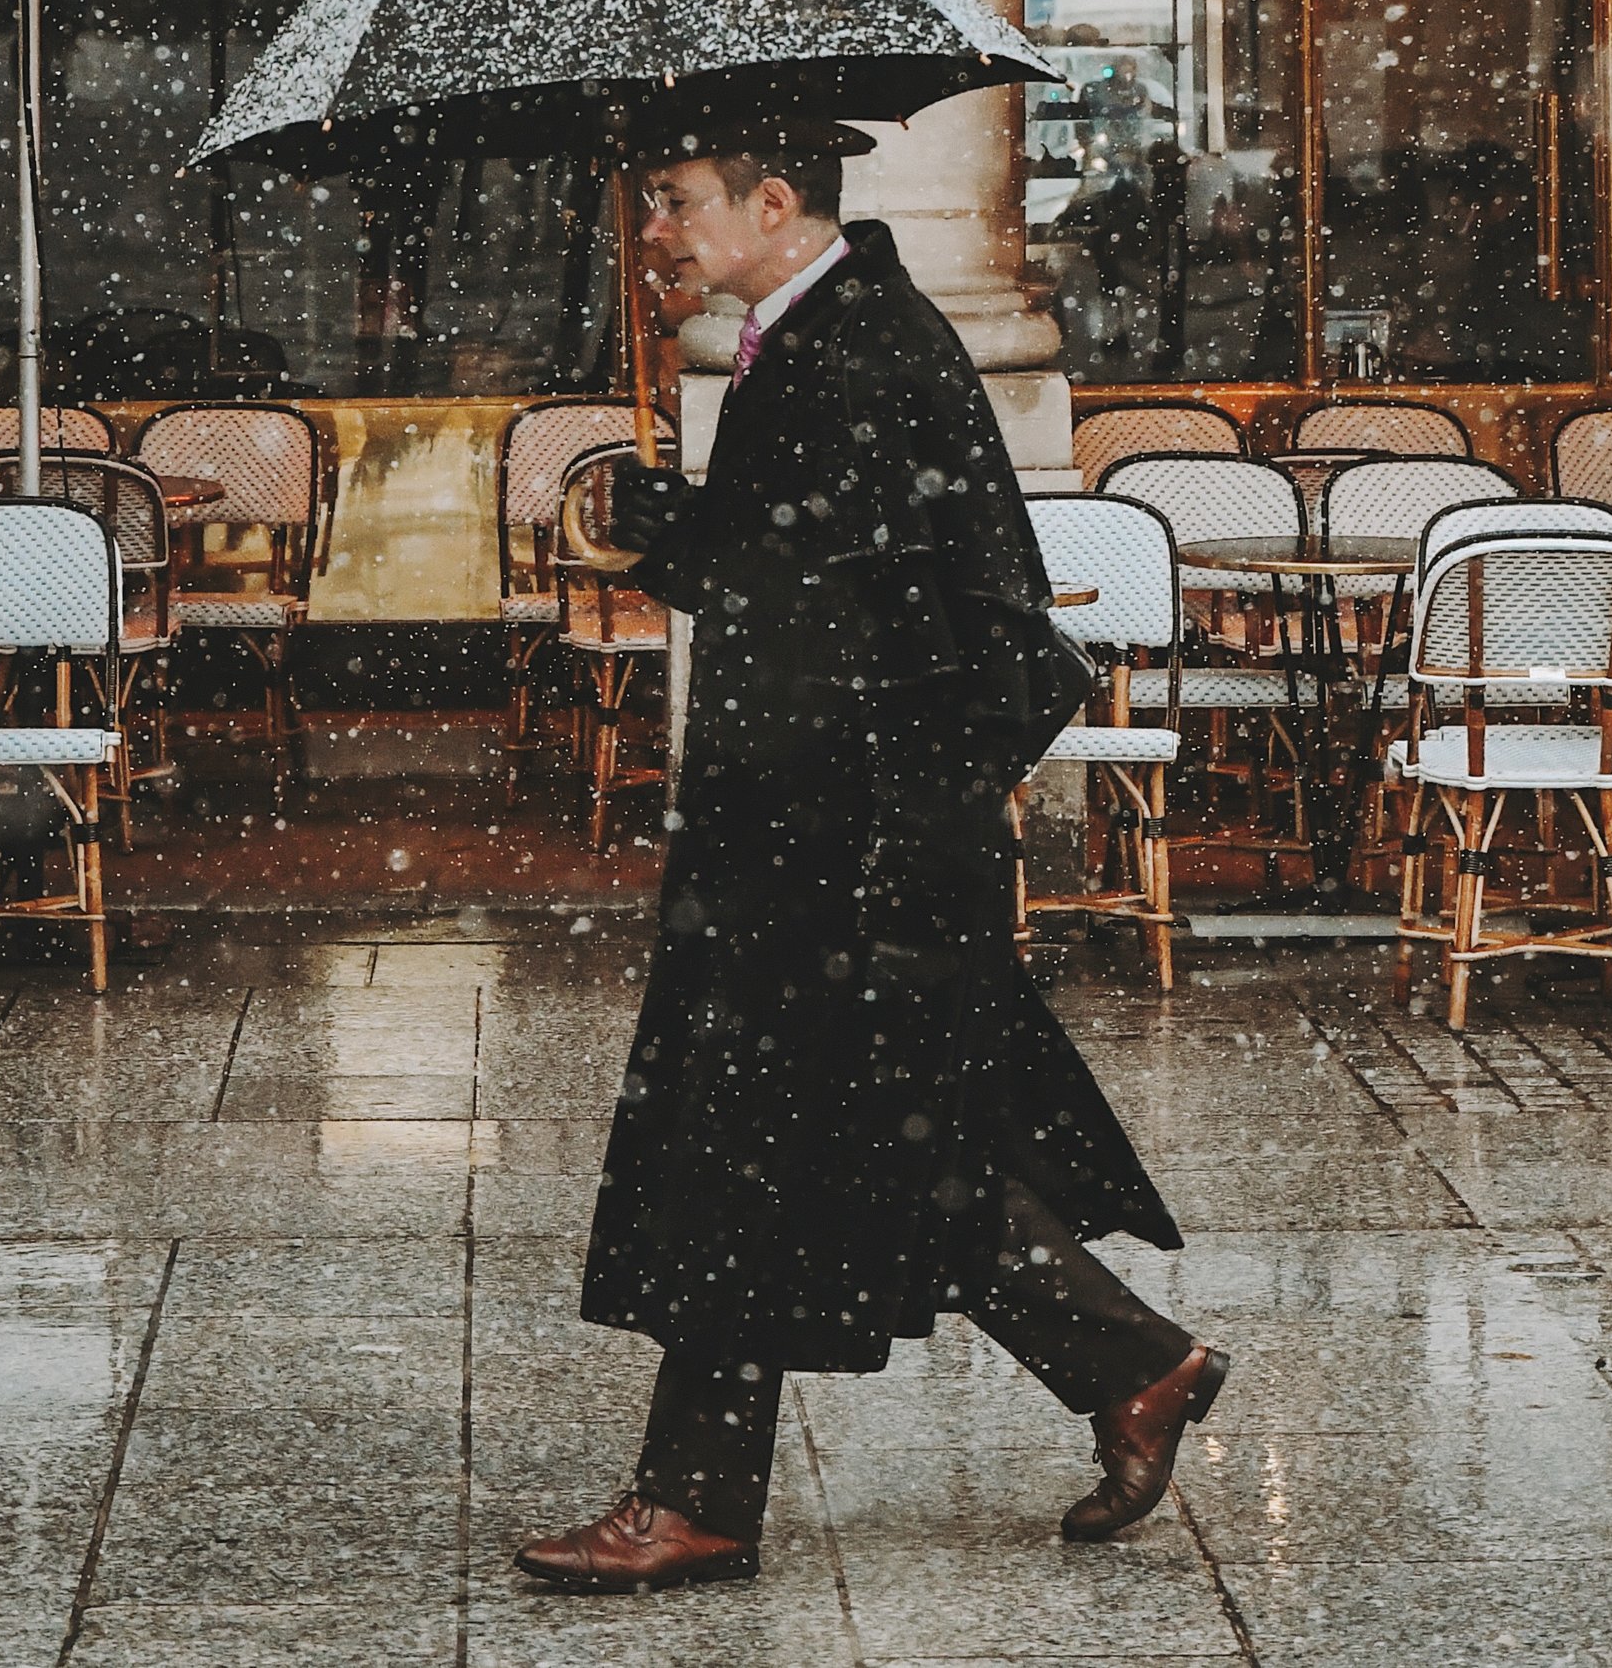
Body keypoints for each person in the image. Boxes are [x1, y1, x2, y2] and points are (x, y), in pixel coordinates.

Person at [512, 123, 1228, 1597]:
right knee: (889, 1149)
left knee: (750, 1146)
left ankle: (694, 1499)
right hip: (837, 829)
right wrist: (671, 528)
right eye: (649, 201)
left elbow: (928, 609)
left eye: (677, 200)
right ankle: (1134, 1364)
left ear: (774, 203)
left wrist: (882, 818)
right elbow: (813, 569)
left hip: (840, 840)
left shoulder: (858, 347)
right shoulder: (823, 333)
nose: (654, 228)